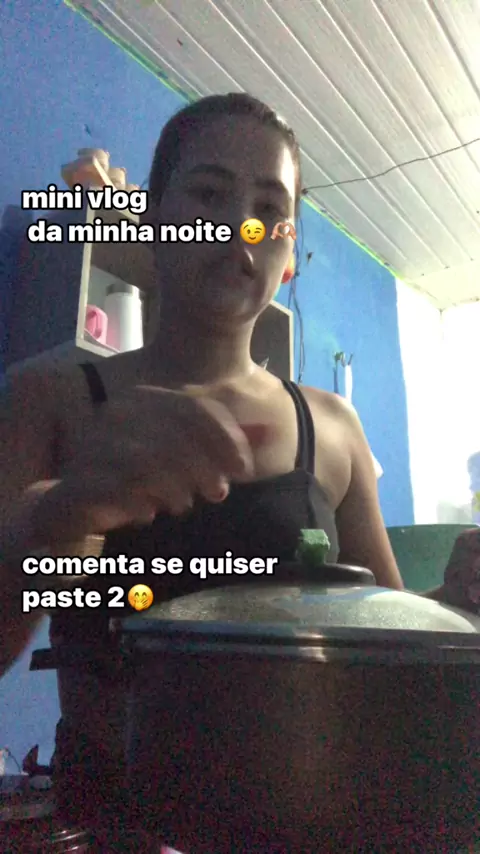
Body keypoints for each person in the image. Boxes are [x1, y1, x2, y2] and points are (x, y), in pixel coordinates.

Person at [0, 93, 406, 840]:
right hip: (111, 822)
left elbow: (391, 645)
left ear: (288, 253)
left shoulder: (335, 429)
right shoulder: (47, 397)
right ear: (153, 218)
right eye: (210, 194)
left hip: (304, 818)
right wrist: (57, 520)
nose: (240, 227)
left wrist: (463, 600)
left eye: (269, 209)